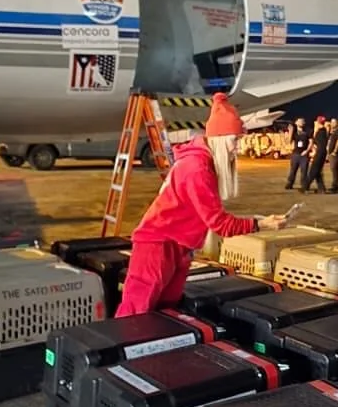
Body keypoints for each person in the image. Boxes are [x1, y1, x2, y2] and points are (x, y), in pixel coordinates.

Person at [117, 93, 290, 316]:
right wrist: (262, 224)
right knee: (135, 312)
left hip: (179, 246)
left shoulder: (204, 163)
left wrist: (259, 220)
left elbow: (212, 216)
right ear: (219, 137)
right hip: (157, 246)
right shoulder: (197, 169)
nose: (236, 147)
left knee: (164, 310)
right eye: (234, 140)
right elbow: (220, 224)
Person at [285, 116, 313, 191]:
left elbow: (311, 142)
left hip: (304, 155)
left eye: (303, 121)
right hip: (295, 154)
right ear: (296, 123)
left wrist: (307, 151)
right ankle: (290, 183)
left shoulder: (308, 131)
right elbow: (289, 142)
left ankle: (304, 185)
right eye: (300, 121)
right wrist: (290, 131)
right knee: (293, 170)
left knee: (304, 171)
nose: (301, 122)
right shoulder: (294, 132)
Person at [304, 114, 329, 193]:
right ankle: (321, 189)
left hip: (320, 153)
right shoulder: (323, 131)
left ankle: (305, 187)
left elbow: (319, 144)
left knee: (313, 170)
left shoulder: (321, 132)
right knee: (318, 171)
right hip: (322, 152)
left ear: (318, 122)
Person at [324, 118, 338, 192]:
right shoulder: (333, 131)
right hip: (331, 153)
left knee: (334, 169)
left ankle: (335, 185)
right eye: (331, 122)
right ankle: (336, 184)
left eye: (334, 122)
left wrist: (335, 151)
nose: (332, 124)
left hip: (335, 154)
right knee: (334, 169)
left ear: (337, 123)